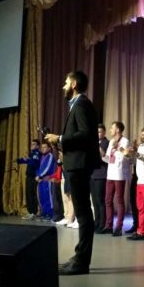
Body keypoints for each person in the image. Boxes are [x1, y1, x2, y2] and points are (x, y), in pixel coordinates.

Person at [45, 70, 100, 276]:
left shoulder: (81, 104)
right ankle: (79, 258)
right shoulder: (77, 104)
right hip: (76, 164)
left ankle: (81, 262)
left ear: (74, 84)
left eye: (66, 82)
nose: (63, 86)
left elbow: (85, 134)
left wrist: (59, 138)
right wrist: (60, 143)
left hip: (80, 165)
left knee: (83, 214)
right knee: (82, 213)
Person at [102, 121, 131, 236]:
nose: (110, 130)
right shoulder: (111, 142)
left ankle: (119, 226)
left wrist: (117, 148)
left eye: (112, 128)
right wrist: (102, 155)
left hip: (119, 174)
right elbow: (109, 159)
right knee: (108, 200)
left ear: (118, 130)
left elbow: (124, 158)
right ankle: (108, 225)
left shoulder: (125, 141)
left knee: (119, 200)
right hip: (110, 173)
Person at [17, 139, 41, 220]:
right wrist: (19, 160)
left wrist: (28, 159)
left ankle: (33, 212)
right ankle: (30, 212)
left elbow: (35, 163)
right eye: (31, 144)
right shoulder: (32, 154)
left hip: (33, 177)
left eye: (34, 144)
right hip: (28, 177)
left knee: (32, 195)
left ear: (37, 146)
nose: (32, 145)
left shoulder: (37, 153)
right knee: (28, 194)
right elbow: (28, 161)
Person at [91, 124, 109, 232]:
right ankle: (96, 222)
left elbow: (103, 156)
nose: (97, 134)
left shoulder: (106, 142)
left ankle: (103, 223)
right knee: (94, 201)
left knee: (100, 200)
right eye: (96, 132)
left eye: (99, 132)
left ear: (104, 132)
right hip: (92, 174)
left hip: (101, 174)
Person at [36, 142, 56, 221]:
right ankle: (44, 213)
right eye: (42, 147)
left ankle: (50, 214)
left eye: (45, 147)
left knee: (48, 197)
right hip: (41, 180)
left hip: (47, 180)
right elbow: (40, 168)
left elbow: (47, 167)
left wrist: (40, 175)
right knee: (42, 197)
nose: (43, 149)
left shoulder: (50, 156)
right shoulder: (42, 157)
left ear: (49, 148)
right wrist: (38, 175)